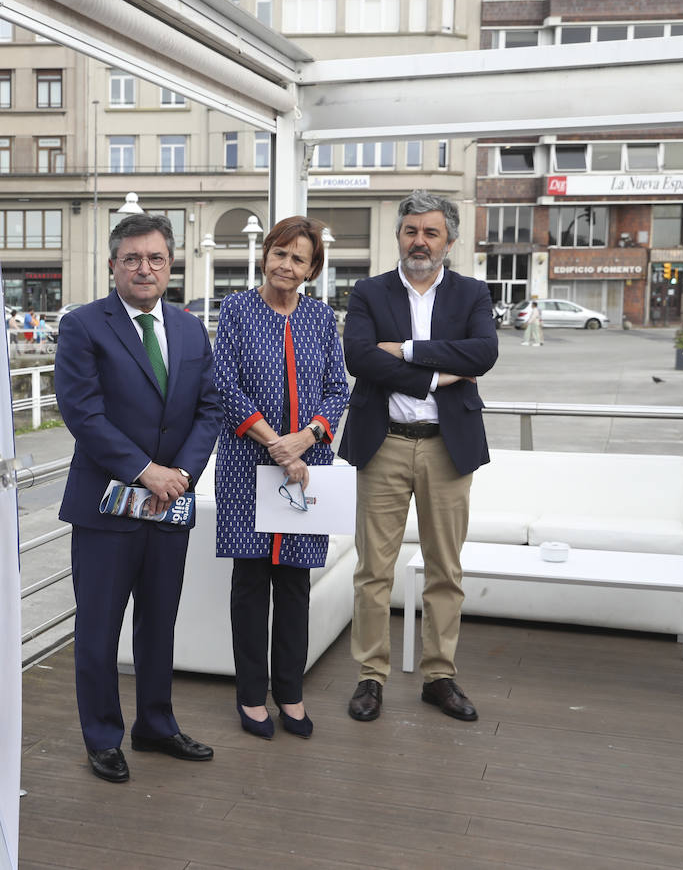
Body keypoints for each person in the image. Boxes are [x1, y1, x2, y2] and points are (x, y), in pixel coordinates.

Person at [55, 212, 221, 783]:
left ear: (170, 265)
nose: (143, 268)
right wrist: (145, 470)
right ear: (112, 266)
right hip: (106, 507)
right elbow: (82, 412)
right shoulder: (82, 326)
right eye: (132, 258)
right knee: (99, 630)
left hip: (171, 500)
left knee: (159, 623)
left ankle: (156, 724)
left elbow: (210, 408)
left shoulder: (191, 328)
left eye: (154, 258)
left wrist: (181, 475)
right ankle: (103, 736)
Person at [337, 190, 498, 724]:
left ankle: (439, 675)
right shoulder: (368, 292)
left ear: (449, 240)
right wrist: (436, 373)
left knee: (445, 569)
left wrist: (403, 350)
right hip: (382, 444)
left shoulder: (473, 293)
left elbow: (483, 353)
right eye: (411, 230)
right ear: (399, 236)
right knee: (373, 571)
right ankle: (371, 676)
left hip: (447, 448)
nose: (419, 241)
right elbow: (358, 356)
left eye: (431, 232)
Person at [212, 216, 348, 741]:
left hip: (306, 470)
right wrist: (276, 443)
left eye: (299, 258)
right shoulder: (237, 310)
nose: (286, 265)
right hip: (249, 466)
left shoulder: (320, 317)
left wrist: (305, 439)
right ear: (265, 254)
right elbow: (226, 385)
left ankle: (289, 692)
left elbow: (338, 390)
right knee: (249, 585)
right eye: (279, 253)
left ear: (312, 269)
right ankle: (250, 697)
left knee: (294, 586)